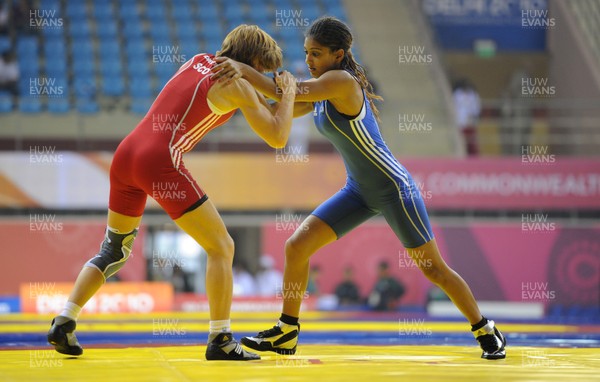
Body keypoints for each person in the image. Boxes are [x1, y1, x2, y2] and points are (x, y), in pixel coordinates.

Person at [213, 16, 506, 360]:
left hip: (393, 187)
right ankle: (287, 331)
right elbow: (280, 107)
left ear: (338, 55)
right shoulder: (322, 88)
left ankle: (485, 328)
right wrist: (238, 93)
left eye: (317, 54)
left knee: (433, 269)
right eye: (307, 53)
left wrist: (238, 67)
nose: (309, 60)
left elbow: (283, 91)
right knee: (297, 247)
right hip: (358, 191)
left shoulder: (340, 82)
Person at [47, 24, 297, 361]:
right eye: (263, 68)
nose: (265, 75)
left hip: (127, 153)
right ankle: (220, 338)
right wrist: (290, 90)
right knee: (222, 246)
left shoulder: (197, 60)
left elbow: (270, 108)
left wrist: (288, 97)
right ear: (252, 60)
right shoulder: (236, 83)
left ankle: (65, 319)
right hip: (159, 159)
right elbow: (278, 136)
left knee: (114, 250)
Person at [452, 79, 481, 156]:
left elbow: (476, 107)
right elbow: (454, 107)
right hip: (460, 120)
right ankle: (462, 153)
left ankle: (473, 155)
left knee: (471, 139)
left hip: (470, 119)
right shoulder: (457, 95)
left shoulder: (473, 95)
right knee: (462, 139)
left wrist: (473, 115)